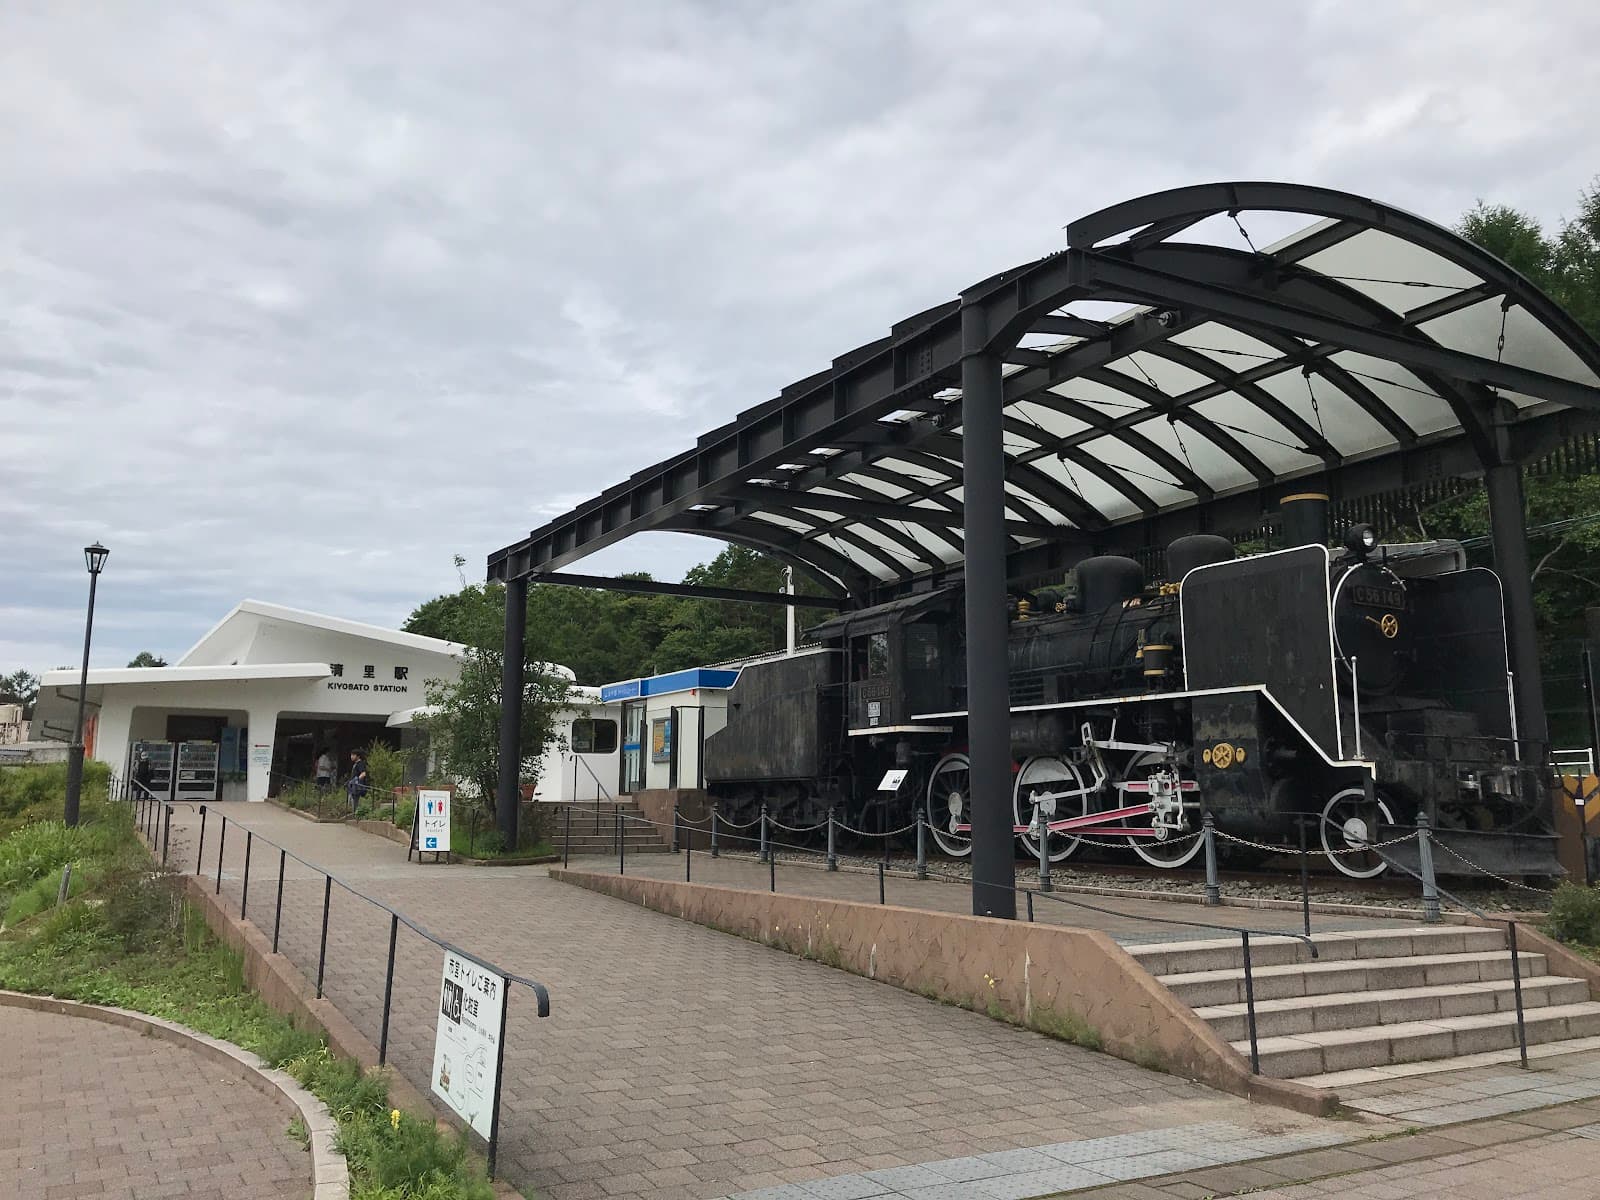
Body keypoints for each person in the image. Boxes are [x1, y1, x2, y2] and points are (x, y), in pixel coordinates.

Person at [345, 749, 370, 814]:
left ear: (358, 756)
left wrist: (356, 780)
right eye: (351, 755)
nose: (351, 756)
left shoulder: (360, 764)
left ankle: (355, 815)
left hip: (356, 787)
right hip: (353, 786)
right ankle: (354, 814)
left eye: (353, 755)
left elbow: (363, 773)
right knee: (351, 800)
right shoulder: (356, 764)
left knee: (354, 801)